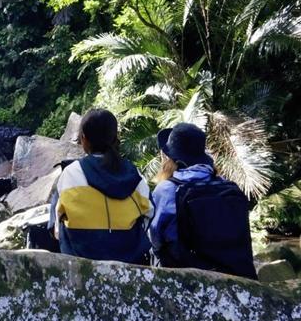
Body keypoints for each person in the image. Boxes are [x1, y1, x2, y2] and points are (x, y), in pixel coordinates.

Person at [150, 122, 257, 279]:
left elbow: (155, 239)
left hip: (188, 278)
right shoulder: (226, 186)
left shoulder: (167, 189)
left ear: (172, 159)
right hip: (237, 274)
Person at [51, 109, 154, 264]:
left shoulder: (70, 173)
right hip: (131, 260)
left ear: (83, 138)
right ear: (115, 138)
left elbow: (56, 227)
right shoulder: (134, 174)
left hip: (81, 260)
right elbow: (150, 213)